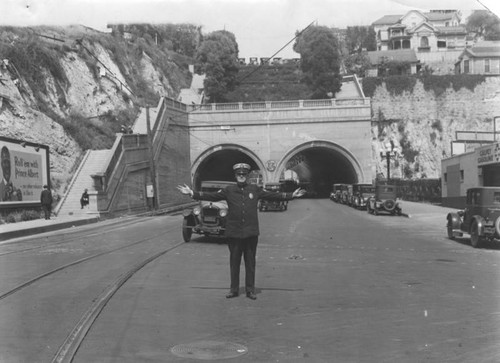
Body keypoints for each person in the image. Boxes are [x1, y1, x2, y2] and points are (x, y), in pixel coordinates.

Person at [177, 163, 305, 300]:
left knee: (250, 263)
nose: (241, 177)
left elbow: (273, 195)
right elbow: (212, 196)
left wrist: (291, 195)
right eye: (239, 174)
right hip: (234, 233)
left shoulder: (254, 189)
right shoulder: (229, 190)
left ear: (247, 176)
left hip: (250, 233)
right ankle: (234, 290)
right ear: (236, 176)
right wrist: (191, 193)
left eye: (244, 175)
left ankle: (250, 290)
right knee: (234, 262)